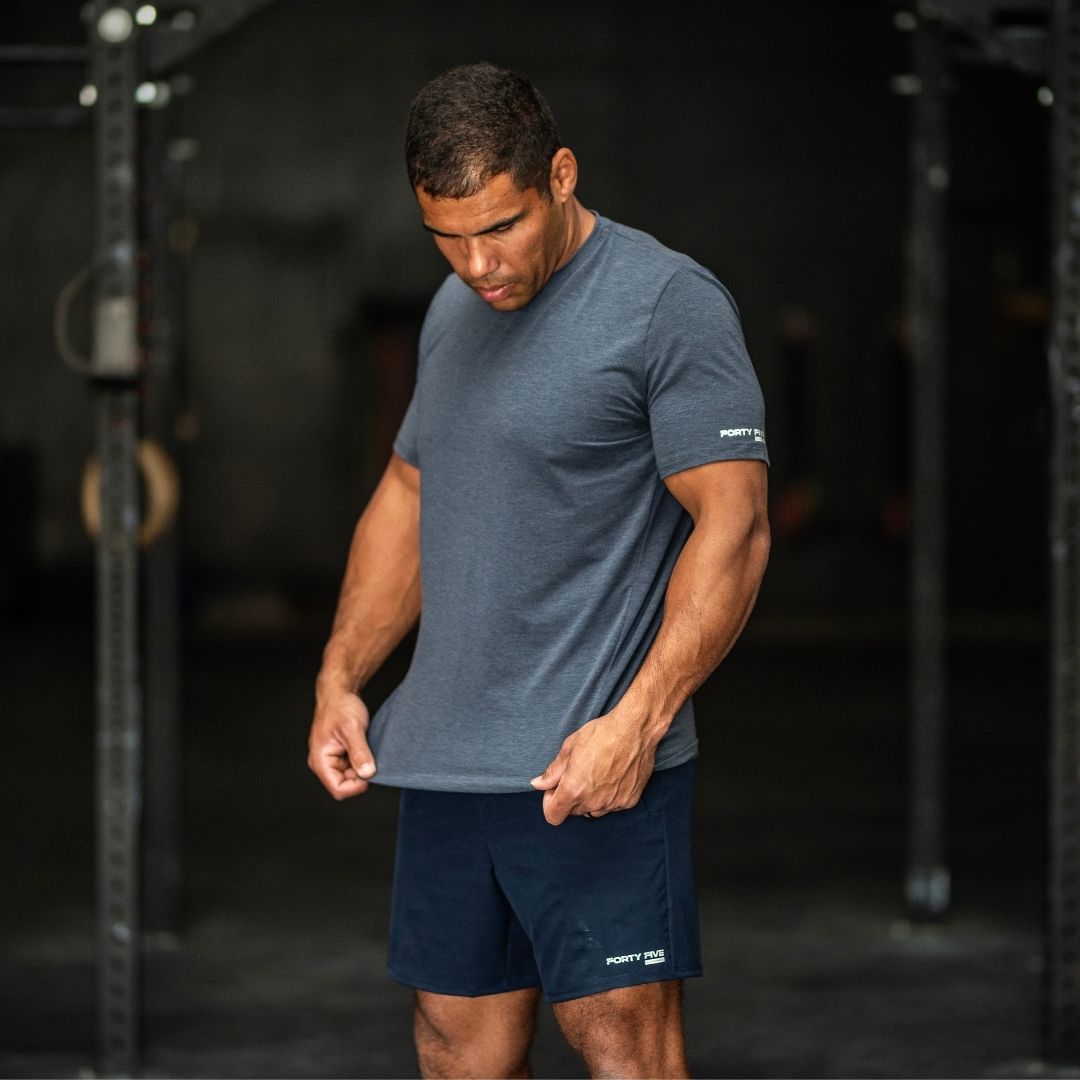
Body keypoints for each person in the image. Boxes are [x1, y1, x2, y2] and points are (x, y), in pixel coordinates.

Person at [308, 60, 771, 1079]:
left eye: (501, 226)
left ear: (560, 174)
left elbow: (732, 527)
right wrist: (343, 677)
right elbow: (409, 492)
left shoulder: (667, 304)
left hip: (590, 759)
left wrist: (637, 723)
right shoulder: (453, 308)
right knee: (454, 1044)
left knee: (620, 1041)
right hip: (447, 758)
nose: (477, 263)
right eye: (448, 234)